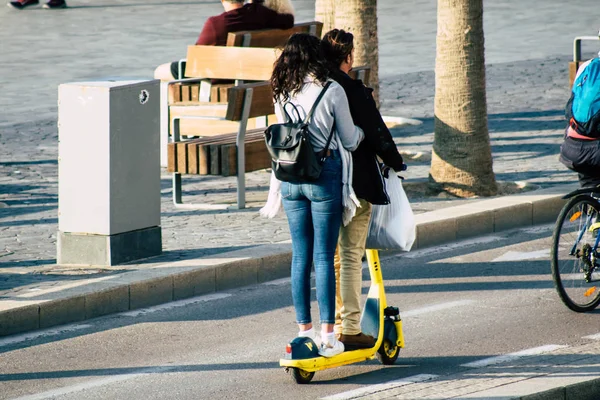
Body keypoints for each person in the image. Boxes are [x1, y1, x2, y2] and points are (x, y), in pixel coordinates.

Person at [262, 33, 364, 357]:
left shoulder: (281, 91)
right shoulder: (332, 90)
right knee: (324, 256)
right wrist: (363, 134)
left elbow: (286, 133)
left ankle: (303, 331)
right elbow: (349, 139)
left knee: (300, 256)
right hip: (323, 176)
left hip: (289, 178)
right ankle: (329, 337)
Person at [320, 29, 406, 350]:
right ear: (349, 57)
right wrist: (397, 162)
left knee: (334, 259)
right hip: (354, 186)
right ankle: (351, 328)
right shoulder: (350, 90)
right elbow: (376, 132)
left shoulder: (317, 87)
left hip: (323, 185)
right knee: (352, 255)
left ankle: (337, 323)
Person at [153, 0, 294, 81]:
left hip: (220, 76)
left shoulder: (216, 23)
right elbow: (288, 20)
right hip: (249, 75)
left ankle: (176, 122)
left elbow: (196, 60)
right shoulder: (260, 14)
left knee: (160, 72)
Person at [560, 54, 600, 188]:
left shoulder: (586, 66)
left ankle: (587, 205)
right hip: (596, 152)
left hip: (571, 148)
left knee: (591, 190)